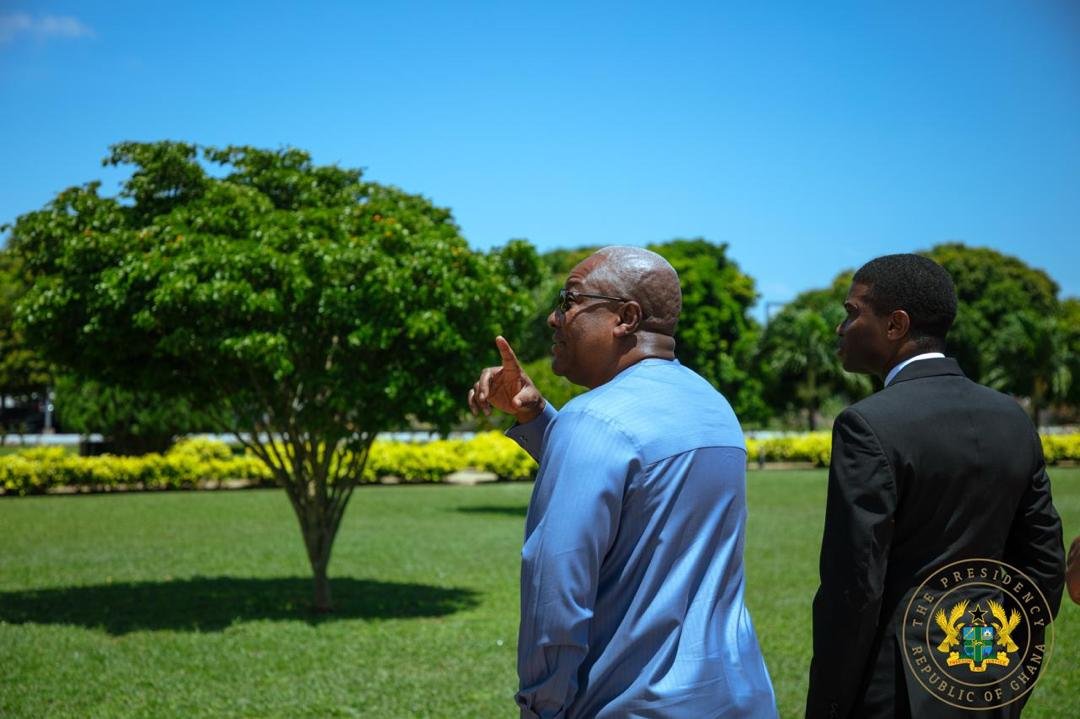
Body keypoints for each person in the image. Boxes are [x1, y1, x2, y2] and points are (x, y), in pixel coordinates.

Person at [468, 246, 777, 718]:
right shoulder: (713, 406)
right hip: (736, 696)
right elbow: (640, 490)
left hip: (634, 705)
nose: (555, 318)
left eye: (568, 300)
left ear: (626, 317)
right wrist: (536, 416)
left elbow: (555, 597)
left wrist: (541, 707)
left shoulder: (592, 421)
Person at [805, 254, 1066, 719]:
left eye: (852, 312)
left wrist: (829, 702)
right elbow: (1043, 563)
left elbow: (855, 587)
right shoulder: (1012, 417)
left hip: (896, 687)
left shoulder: (868, 424)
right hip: (990, 671)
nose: (841, 328)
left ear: (895, 325)